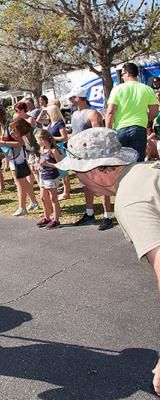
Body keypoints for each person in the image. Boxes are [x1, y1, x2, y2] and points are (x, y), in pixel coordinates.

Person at [54, 126, 160, 396]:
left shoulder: (131, 199)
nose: (78, 181)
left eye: (77, 173)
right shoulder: (148, 172)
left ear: (93, 171)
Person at [68, 87, 113, 231]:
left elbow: (98, 133)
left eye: (72, 98)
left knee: (100, 185)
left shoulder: (92, 113)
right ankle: (89, 213)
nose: (69, 101)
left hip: (93, 156)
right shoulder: (74, 114)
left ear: (79, 98)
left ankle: (107, 216)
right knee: (85, 184)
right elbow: (74, 132)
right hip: (79, 156)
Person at [106, 62, 159, 162]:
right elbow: (154, 111)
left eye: (122, 74)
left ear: (127, 73)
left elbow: (110, 112)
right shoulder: (147, 89)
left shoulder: (117, 89)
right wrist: (146, 119)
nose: (122, 77)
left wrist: (107, 131)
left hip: (120, 129)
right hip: (139, 128)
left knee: (121, 162)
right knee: (138, 162)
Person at [0, 118, 38, 216]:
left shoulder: (13, 128)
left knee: (20, 183)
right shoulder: (3, 128)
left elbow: (20, 143)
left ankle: (22, 207)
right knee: (22, 182)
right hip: (13, 157)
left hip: (19, 157)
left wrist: (5, 143)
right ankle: (33, 201)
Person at [35, 129, 63, 229]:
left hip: (51, 176)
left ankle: (56, 219)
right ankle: (46, 217)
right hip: (43, 176)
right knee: (43, 197)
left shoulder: (53, 150)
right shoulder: (42, 149)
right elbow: (41, 161)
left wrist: (48, 164)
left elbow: (61, 165)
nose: (37, 142)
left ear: (43, 139)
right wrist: (38, 163)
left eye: (37, 140)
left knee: (53, 198)